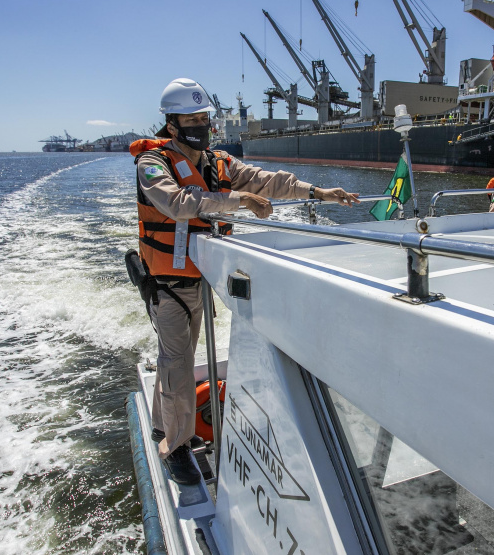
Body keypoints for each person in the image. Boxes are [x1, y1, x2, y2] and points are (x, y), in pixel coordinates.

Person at [134, 78, 360, 485]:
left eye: (205, 118)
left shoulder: (218, 162)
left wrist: (318, 191)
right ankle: (176, 446)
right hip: (169, 284)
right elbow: (176, 202)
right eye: (191, 119)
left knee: (177, 358)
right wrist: (239, 201)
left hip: (203, 274)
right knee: (178, 361)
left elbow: (265, 180)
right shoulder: (152, 164)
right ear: (171, 125)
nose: (200, 126)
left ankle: (159, 421)